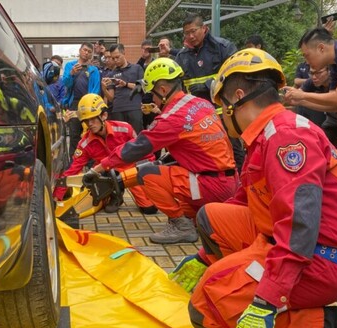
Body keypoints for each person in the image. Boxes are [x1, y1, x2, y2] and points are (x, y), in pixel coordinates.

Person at [169, 48, 337, 328]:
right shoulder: (267, 134)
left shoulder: (287, 137)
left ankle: (333, 326)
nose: (221, 114)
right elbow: (246, 203)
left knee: (208, 310)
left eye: (222, 106)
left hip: (324, 258)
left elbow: (299, 227)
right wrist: (205, 258)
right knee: (211, 217)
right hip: (292, 240)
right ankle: (246, 279)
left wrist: (266, 301)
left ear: (236, 97)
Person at [87, 58, 238, 244]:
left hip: (210, 185)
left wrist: (97, 169)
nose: (153, 99)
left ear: (164, 90)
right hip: (229, 181)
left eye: (153, 95)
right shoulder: (200, 103)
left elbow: (134, 149)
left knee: (147, 172)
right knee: (165, 167)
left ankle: (181, 226)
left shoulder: (171, 118)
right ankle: (195, 219)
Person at [283, 27, 337, 225]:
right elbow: (336, 103)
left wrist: (302, 95)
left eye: (307, 55)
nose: (307, 63)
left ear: (321, 48)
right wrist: (300, 101)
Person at [53, 94, 157, 214]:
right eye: (86, 121)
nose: (89, 124)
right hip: (106, 174)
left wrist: (150, 174)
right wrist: (57, 198)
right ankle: (115, 196)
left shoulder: (125, 129)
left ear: (104, 116)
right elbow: (72, 170)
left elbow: (144, 152)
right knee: (95, 185)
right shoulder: (85, 144)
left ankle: (123, 189)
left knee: (149, 209)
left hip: (131, 171)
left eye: (92, 119)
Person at [175, 14, 245, 172]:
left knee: (234, 151)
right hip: (197, 118)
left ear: (204, 28)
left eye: (193, 31)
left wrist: (207, 85)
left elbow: (236, 75)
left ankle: (241, 186)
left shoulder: (223, 48)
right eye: (187, 33)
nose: (190, 36)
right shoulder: (182, 56)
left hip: (224, 113)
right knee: (203, 154)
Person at [62, 42, 101, 159]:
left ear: (91, 54)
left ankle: (89, 163)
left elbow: (96, 89)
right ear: (80, 50)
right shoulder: (70, 65)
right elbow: (66, 84)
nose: (86, 53)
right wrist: (71, 73)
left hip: (89, 103)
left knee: (90, 133)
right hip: (74, 103)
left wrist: (91, 103)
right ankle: (74, 163)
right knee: (74, 133)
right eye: (84, 50)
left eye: (89, 51)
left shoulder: (94, 70)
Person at [102, 43, 144, 133]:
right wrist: (104, 88)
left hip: (134, 108)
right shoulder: (111, 74)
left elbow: (142, 87)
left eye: (117, 57)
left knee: (136, 137)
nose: (115, 60)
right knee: (120, 139)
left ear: (124, 53)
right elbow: (111, 98)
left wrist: (126, 84)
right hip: (117, 110)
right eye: (113, 58)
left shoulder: (136, 68)